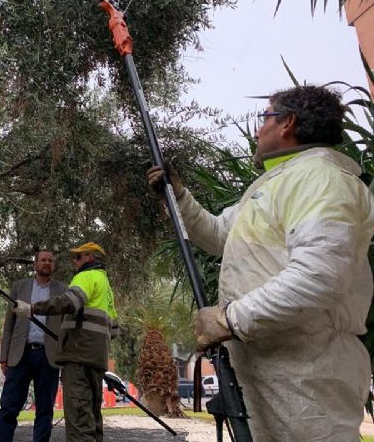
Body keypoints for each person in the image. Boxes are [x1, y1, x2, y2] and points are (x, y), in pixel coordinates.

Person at [147, 85, 374, 441]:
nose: (257, 130)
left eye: (264, 118)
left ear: (287, 123)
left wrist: (228, 319)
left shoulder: (321, 179)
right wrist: (179, 196)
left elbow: (319, 277)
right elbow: (219, 234)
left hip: (306, 375)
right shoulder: (278, 184)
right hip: (273, 369)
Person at [13, 242, 118, 442]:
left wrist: (32, 309)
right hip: (97, 359)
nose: (75, 262)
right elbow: (114, 330)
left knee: (78, 417)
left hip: (78, 358)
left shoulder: (86, 277)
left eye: (78, 257)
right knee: (93, 417)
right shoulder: (107, 288)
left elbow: (68, 302)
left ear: (89, 258)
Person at [0, 250, 66, 442]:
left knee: (45, 409)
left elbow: (65, 328)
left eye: (50, 261)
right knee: (9, 407)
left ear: (54, 265)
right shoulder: (19, 287)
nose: (47, 263)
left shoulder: (62, 290)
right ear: (35, 264)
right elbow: (9, 324)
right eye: (43, 260)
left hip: (48, 357)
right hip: (20, 355)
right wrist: (4, 357)